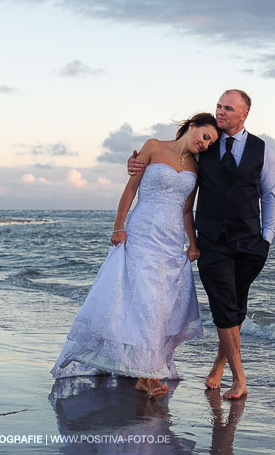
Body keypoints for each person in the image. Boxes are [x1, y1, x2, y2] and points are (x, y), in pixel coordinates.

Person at [51, 113, 219, 397]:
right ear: (192, 127)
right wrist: (118, 226)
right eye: (205, 137)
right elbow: (131, 188)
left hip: (171, 239)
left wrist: (193, 243)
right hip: (142, 232)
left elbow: (185, 210)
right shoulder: (153, 146)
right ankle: (146, 376)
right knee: (140, 299)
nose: (205, 145)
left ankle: (146, 370)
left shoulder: (197, 167)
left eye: (210, 143)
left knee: (159, 304)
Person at [128, 89, 275, 400]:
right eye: (219, 106)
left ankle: (218, 367)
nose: (221, 112)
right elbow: (170, 160)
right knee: (224, 307)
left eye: (228, 108)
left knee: (235, 309)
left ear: (243, 114)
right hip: (212, 242)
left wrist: (267, 238)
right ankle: (240, 379)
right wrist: (135, 164)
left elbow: (269, 195)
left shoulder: (262, 150)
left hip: (250, 243)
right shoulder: (203, 147)